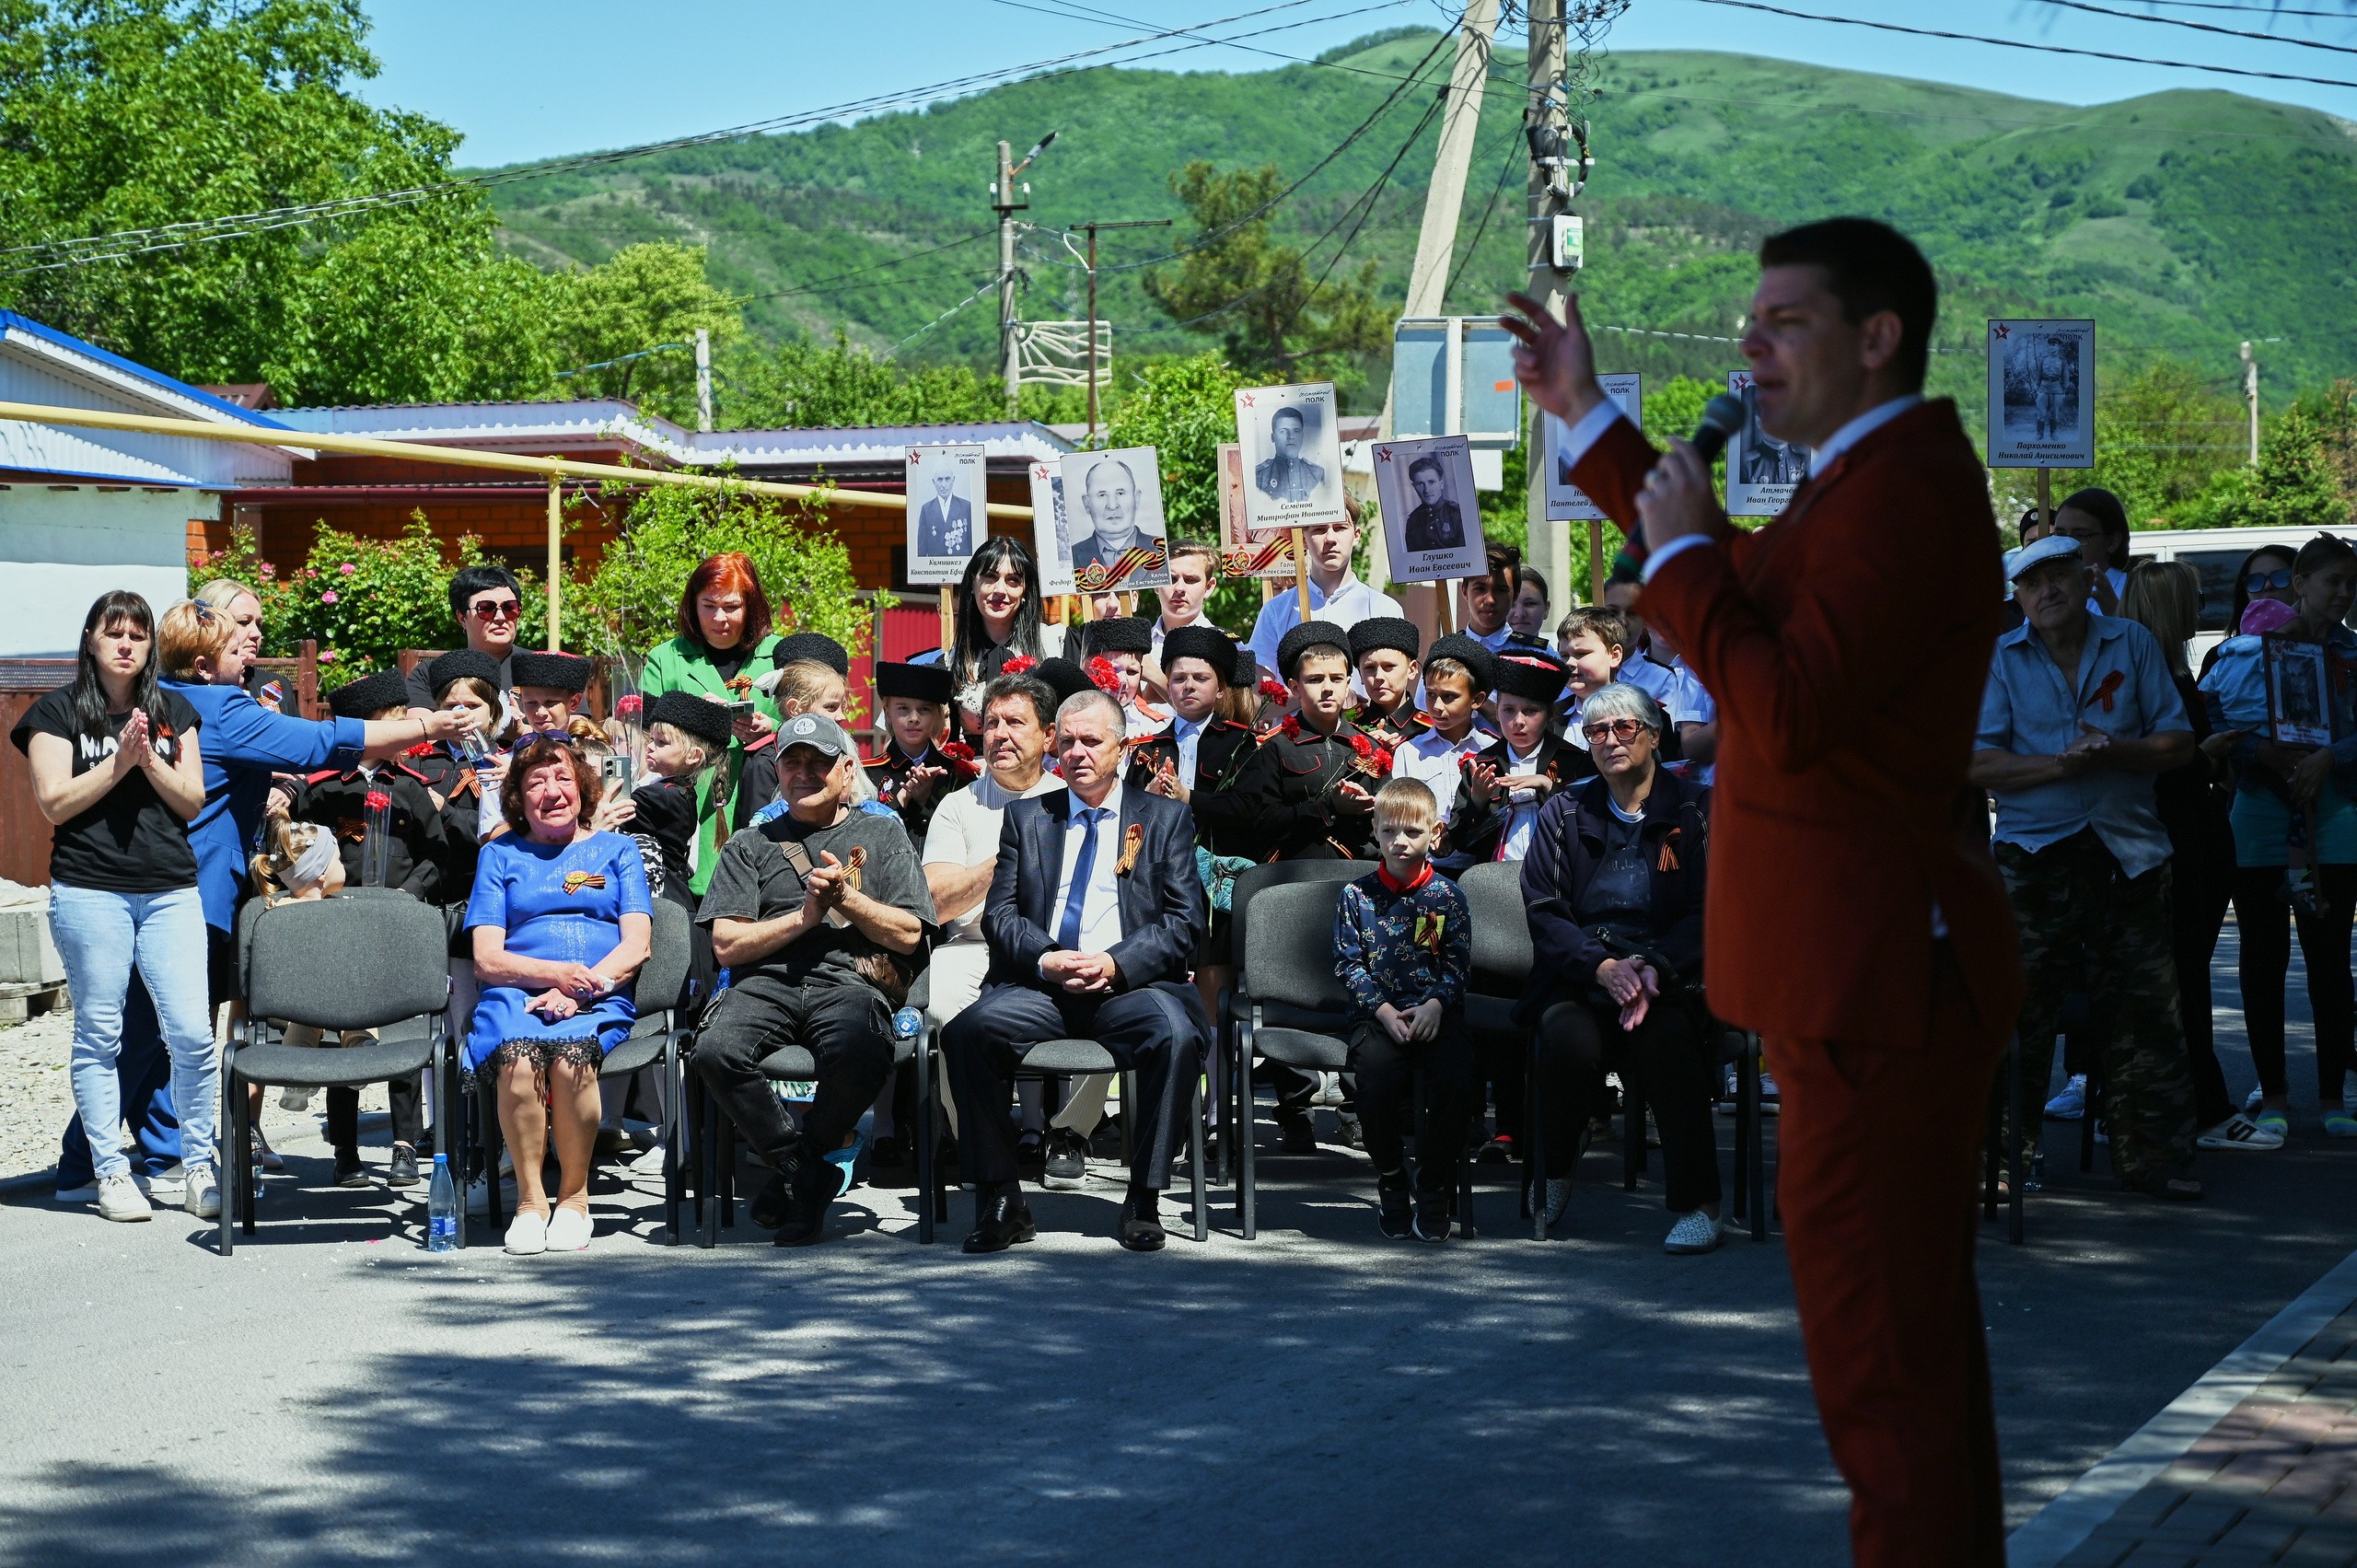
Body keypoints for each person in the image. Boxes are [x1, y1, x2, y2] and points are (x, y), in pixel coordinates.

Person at [1508, 215, 2026, 1565]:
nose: (1749, 343)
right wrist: (1586, 413)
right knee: (1907, 1361)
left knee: (1882, 1375)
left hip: (1874, 980)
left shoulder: (1902, 488)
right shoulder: (1860, 479)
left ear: (1877, 337)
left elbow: (1780, 704)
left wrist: (1677, 561)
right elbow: (1734, 583)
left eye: (1784, 320)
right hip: (1856, 973)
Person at [942, 687, 1210, 1254]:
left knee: (1178, 1035)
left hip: (1129, 986)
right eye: (1067, 741)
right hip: (1045, 985)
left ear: (1124, 747)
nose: (1078, 752)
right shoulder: (1028, 818)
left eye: (1093, 740)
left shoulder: (1163, 819)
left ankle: (1144, 1197)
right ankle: (1001, 1199)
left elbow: (1187, 923)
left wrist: (1118, 962)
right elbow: (1001, 914)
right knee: (968, 1033)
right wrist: (1046, 957)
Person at [693, 713, 935, 1247]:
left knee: (861, 1049)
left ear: (847, 772)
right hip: (764, 985)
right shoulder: (749, 845)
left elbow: (911, 934)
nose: (804, 773)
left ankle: (797, 1180)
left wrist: (847, 901)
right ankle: (807, 1172)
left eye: (819, 763)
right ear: (777, 771)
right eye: (792, 762)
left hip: (849, 981)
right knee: (713, 1050)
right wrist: (803, 917)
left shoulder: (883, 834)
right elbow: (726, 944)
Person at [14, 591, 215, 1223]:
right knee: (100, 1034)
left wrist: (148, 759)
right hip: (90, 889)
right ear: (92, 642)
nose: (126, 644)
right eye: (114, 634)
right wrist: (119, 762)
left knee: (191, 1033)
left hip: (170, 890)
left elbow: (192, 800)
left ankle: (199, 1164)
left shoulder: (172, 709)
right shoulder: (55, 712)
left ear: (151, 645)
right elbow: (54, 802)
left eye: (138, 634)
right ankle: (109, 1170)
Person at [1520, 684, 1719, 1248]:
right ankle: (1555, 1170)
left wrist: (1653, 966)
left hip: (1669, 973)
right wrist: (1602, 967)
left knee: (1669, 1039)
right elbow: (1543, 907)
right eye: (1597, 732)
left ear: (1653, 735)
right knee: (1565, 1041)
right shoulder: (1564, 810)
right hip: (1585, 970)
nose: (1609, 741)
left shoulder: (1694, 809)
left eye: (1623, 728)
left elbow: (1713, 908)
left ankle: (1700, 1205)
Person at [464, 735, 652, 1254]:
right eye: (537, 782)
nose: (552, 791)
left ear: (583, 788)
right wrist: (554, 977)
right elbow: (486, 958)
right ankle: (529, 1202)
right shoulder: (498, 855)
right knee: (519, 1060)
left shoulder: (618, 849)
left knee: (571, 1061)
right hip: (514, 993)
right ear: (518, 798)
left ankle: (573, 1200)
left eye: (563, 778)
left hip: (598, 992)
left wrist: (582, 988)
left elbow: (637, 944)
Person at [2199, 532, 2357, 1142]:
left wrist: (2330, 757)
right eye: (2332, 582)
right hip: (2262, 810)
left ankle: (2332, 1093)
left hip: (2335, 813)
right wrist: (2257, 749)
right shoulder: (2248, 649)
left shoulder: (2352, 653)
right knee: (2262, 957)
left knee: (2329, 958)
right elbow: (2210, 711)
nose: (2342, 594)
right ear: (2302, 586)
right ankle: (2275, 1096)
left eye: (2350, 584)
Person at [284, 669, 451, 1187]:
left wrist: (410, 895)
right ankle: (346, 1151)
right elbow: (298, 854)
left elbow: (437, 855)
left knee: (399, 1033)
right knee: (345, 1035)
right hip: (340, 926)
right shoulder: (322, 789)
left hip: (396, 924)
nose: (408, 725)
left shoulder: (412, 788)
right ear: (371, 724)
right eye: (399, 717)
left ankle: (404, 1144)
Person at [1225, 622, 1389, 1150]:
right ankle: (1293, 1103)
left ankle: (1355, 1102)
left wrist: (1369, 812)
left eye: (1337, 679)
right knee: (1286, 988)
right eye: (1314, 679)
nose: (1326, 689)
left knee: (1357, 989)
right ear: (1294, 686)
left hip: (1356, 887)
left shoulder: (1370, 746)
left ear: (1349, 685)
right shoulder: (1272, 747)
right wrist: (1324, 808)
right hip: (1290, 885)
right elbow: (1256, 820)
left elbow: (1391, 827)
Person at [2120, 562, 2256, 1151]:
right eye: (2195, 598)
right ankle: (2203, 1107)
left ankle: (2186, 1104)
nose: (2203, 607)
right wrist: (2204, 757)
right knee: (2182, 982)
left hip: (2193, 838)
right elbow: (2163, 771)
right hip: (2175, 843)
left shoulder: (2173, 672)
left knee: (2185, 978)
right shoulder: (2158, 683)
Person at [914, 671, 1073, 1169]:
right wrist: (1013, 849)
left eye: (1015, 723)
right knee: (936, 1003)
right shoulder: (957, 807)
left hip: (1059, 945)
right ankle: (979, 1137)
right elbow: (936, 904)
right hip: (972, 945)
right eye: (991, 723)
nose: (1000, 734)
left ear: (1048, 736)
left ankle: (1069, 1131)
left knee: (1114, 991)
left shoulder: (1076, 799)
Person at [1334, 776, 1475, 1242]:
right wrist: (1384, 1012)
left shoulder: (1445, 897)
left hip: (1435, 1013)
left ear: (1434, 834)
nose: (1400, 841)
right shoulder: (1356, 897)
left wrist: (1435, 1004)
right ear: (1374, 829)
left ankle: (1434, 1183)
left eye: (1413, 832)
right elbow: (1349, 965)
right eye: (1390, 830)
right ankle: (1392, 1175)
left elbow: (1455, 963)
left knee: (1457, 1081)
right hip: (1379, 1017)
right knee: (1372, 1081)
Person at [1131, 623, 1259, 1089]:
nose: (1188, 686)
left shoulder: (1243, 744)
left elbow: (1251, 811)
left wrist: (1189, 799)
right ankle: (1167, 1094)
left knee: (1212, 988)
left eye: (1200, 678)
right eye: (1178, 677)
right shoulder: (1148, 747)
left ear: (1221, 686)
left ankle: (1214, 1103)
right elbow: (1123, 815)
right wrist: (1144, 800)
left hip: (1213, 883)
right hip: (1157, 882)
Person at [639, 554, 787, 892]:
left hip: (764, 801)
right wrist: (690, 716)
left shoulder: (779, 654)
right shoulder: (665, 658)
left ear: (752, 607)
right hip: (689, 816)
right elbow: (643, 737)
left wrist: (772, 730)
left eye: (732, 607)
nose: (720, 618)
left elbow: (811, 721)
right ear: (692, 605)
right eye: (708, 605)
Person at [1244, 495, 1402, 684]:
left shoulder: (1384, 609)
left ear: (1356, 535)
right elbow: (1257, 697)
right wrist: (1311, 693)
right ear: (1303, 539)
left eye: (1340, 528)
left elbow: (1393, 690)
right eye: (1319, 529)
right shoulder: (1275, 611)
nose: (1330, 538)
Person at [1452, 647, 1587, 868]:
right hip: (1496, 881)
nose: (1518, 721)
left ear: (1550, 713)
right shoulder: (1482, 764)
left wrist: (1548, 788)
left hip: (1557, 875)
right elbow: (1462, 843)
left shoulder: (1575, 761)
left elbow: (1591, 826)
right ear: (1497, 712)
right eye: (1508, 710)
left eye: (1531, 711)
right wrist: (1478, 801)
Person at [929, 538, 1066, 733]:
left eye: (1013, 581)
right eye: (990, 577)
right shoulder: (950, 663)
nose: (1000, 590)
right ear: (973, 585)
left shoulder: (1059, 642)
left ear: (1025, 590)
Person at [1391, 635, 1493, 874]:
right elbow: (1399, 812)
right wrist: (1428, 838)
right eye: (1430, 694)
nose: (1437, 706)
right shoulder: (1409, 751)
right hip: (1424, 870)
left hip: (1481, 870)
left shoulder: (1491, 750)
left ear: (1477, 700)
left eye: (1449, 697)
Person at [865, 660, 966, 851]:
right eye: (903, 708)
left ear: (938, 715)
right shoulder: (867, 773)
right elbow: (866, 836)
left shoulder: (958, 773)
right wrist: (902, 801)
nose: (913, 718)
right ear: (887, 713)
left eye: (924, 709)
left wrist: (925, 801)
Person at [402, 563, 525, 716]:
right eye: (486, 609)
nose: (500, 617)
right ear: (462, 618)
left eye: (509, 607)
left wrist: (522, 733)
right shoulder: (430, 674)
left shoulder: (540, 667)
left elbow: (560, 731)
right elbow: (421, 732)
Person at [2200, 542, 2300, 681]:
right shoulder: (2220, 656)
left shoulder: (2327, 648)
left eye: (2281, 577)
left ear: (2300, 584)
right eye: (2255, 581)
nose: (2267, 586)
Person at [1140, 540, 1219, 703]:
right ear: (1155, 583)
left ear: (1209, 587)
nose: (1179, 588)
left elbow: (1224, 713)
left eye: (1191, 580)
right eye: (1171, 579)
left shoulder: (1224, 645)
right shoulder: (1138, 644)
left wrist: (1153, 675)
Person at [1072, 453, 1163, 576]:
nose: (1112, 505)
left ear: (1136, 499)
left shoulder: (1161, 551)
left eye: (1120, 493)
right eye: (1102, 495)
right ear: (1087, 504)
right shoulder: (1071, 557)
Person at [2049, 486, 2131, 616]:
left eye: (2080, 536)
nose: (2067, 545)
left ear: (2112, 542)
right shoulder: (2046, 594)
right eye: (2060, 535)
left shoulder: (2135, 594)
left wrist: (2114, 611)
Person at [1348, 618, 1427, 748]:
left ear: (1411, 670)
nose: (1379, 676)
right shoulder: (1349, 726)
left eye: (1389, 666)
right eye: (1369, 668)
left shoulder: (1430, 730)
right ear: (1360, 674)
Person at [1078, 615, 1162, 735]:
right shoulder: (1076, 719)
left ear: (1141, 673)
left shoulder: (1152, 726)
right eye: (1114, 669)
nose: (1123, 680)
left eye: (1132, 672)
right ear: (1091, 669)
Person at [1254, 404, 1326, 502]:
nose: (1291, 437)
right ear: (1273, 437)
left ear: (1302, 436)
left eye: (1296, 431)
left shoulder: (1318, 474)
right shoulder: (1258, 476)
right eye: (1283, 431)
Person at [1458, 543, 1520, 653]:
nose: (1490, 600)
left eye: (1500, 590)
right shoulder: (1446, 654)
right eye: (1480, 589)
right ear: (1464, 591)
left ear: (1515, 594)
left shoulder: (1538, 657)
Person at [1400, 454, 1467, 552]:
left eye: (1431, 482)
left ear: (1441, 484)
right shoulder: (1413, 522)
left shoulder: (1457, 515)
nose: (1427, 490)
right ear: (1414, 487)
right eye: (1420, 484)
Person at [916, 469, 974, 560]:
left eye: (947, 479)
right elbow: (921, 550)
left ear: (953, 480)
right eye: (940, 479)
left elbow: (972, 544)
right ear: (934, 482)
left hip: (960, 567)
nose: (943, 485)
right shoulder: (926, 509)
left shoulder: (966, 507)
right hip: (936, 569)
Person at [1506, 569, 1551, 647]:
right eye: (1510, 604)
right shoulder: (1484, 656)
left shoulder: (1555, 657)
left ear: (1546, 609)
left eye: (1530, 604)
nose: (1519, 614)